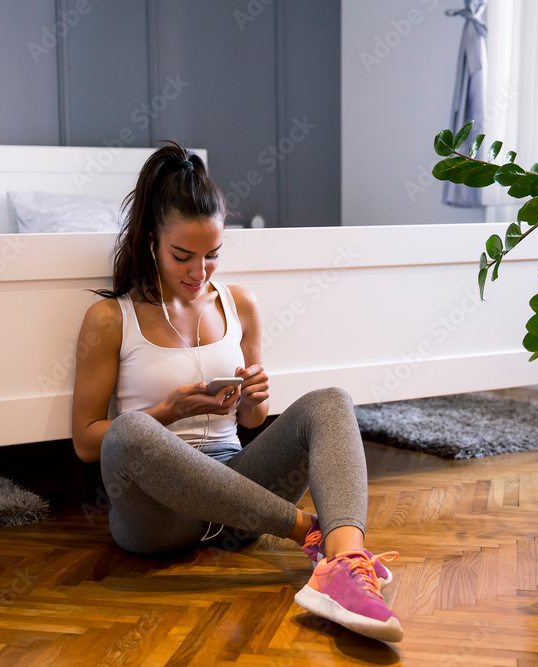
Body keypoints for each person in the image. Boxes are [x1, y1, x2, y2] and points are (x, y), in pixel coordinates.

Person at [70, 141, 403, 643]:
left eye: (212, 256)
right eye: (183, 256)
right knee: (131, 430)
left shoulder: (239, 304)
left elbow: (252, 424)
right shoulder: (109, 318)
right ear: (151, 242)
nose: (198, 272)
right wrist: (167, 410)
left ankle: (343, 564)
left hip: (240, 502)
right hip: (159, 520)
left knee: (330, 400)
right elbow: (86, 441)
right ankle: (311, 533)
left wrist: (253, 401)